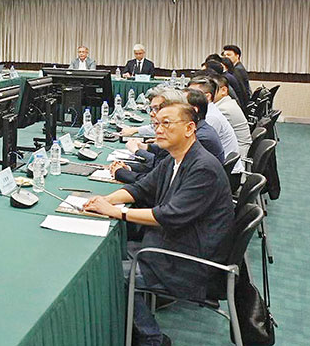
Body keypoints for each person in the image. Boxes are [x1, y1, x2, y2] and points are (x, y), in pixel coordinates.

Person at [84, 102, 234, 346]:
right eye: (156, 124)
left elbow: (169, 215)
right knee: (112, 255)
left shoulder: (203, 167)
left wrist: (117, 212)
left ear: (189, 128)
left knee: (109, 273)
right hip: (171, 245)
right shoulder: (174, 159)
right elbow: (140, 188)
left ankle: (151, 338)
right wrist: (106, 200)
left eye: (166, 123)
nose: (159, 130)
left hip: (189, 262)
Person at [117, 88, 224, 183]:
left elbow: (157, 183)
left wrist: (121, 171)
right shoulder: (175, 151)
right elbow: (155, 174)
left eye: (157, 109)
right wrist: (128, 167)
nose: (152, 114)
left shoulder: (199, 146)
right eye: (157, 125)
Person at [186, 80, 245, 169]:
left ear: (207, 96)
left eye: (193, 93)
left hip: (227, 171)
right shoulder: (210, 110)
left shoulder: (211, 117)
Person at [205, 74, 251, 158]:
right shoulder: (227, 102)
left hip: (237, 155)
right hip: (236, 150)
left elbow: (206, 137)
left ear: (224, 90)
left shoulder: (223, 109)